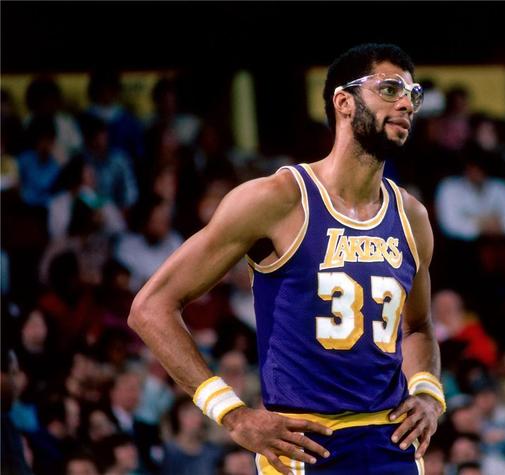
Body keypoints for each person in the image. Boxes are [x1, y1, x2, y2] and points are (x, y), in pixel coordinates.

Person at [128, 43, 445, 474]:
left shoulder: (412, 216)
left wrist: (427, 394)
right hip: (303, 446)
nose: (406, 103)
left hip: (391, 444)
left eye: (413, 94)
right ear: (344, 102)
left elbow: (419, 327)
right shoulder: (277, 198)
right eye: (390, 89)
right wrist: (232, 414)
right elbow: (151, 307)